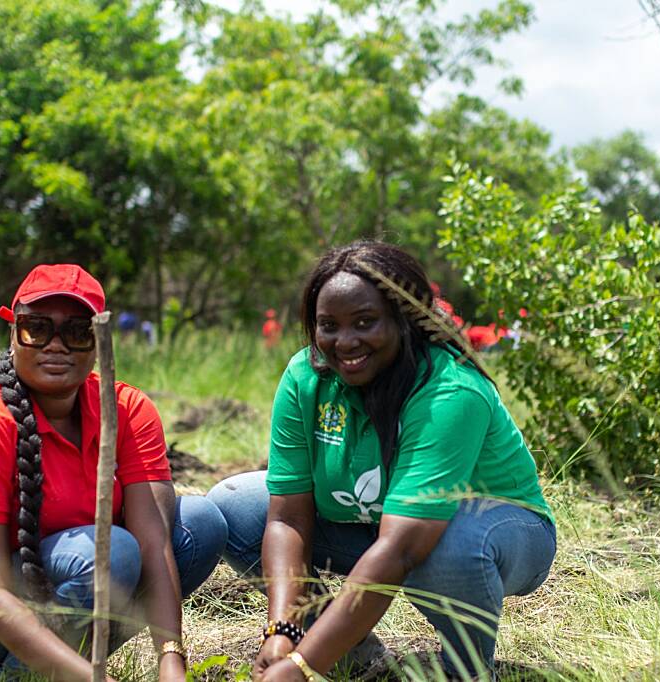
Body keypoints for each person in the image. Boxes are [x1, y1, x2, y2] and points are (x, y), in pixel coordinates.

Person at [207, 242, 556, 681]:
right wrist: (284, 632)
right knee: (235, 505)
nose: (346, 342)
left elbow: (403, 547)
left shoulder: (448, 392)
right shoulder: (305, 378)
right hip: (376, 525)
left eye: (365, 322)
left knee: (449, 547)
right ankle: (348, 650)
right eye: (328, 326)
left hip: (498, 533)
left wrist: (301, 666)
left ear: (403, 320)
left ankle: (465, 669)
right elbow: (288, 520)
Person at [0, 264, 228, 682]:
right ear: (13, 334)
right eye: (37, 329)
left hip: (61, 576)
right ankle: (31, 676)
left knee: (200, 525)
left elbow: (154, 543)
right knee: (110, 554)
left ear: (100, 342)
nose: (56, 346)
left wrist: (170, 660)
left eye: (77, 332)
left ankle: (59, 663)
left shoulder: (128, 411)